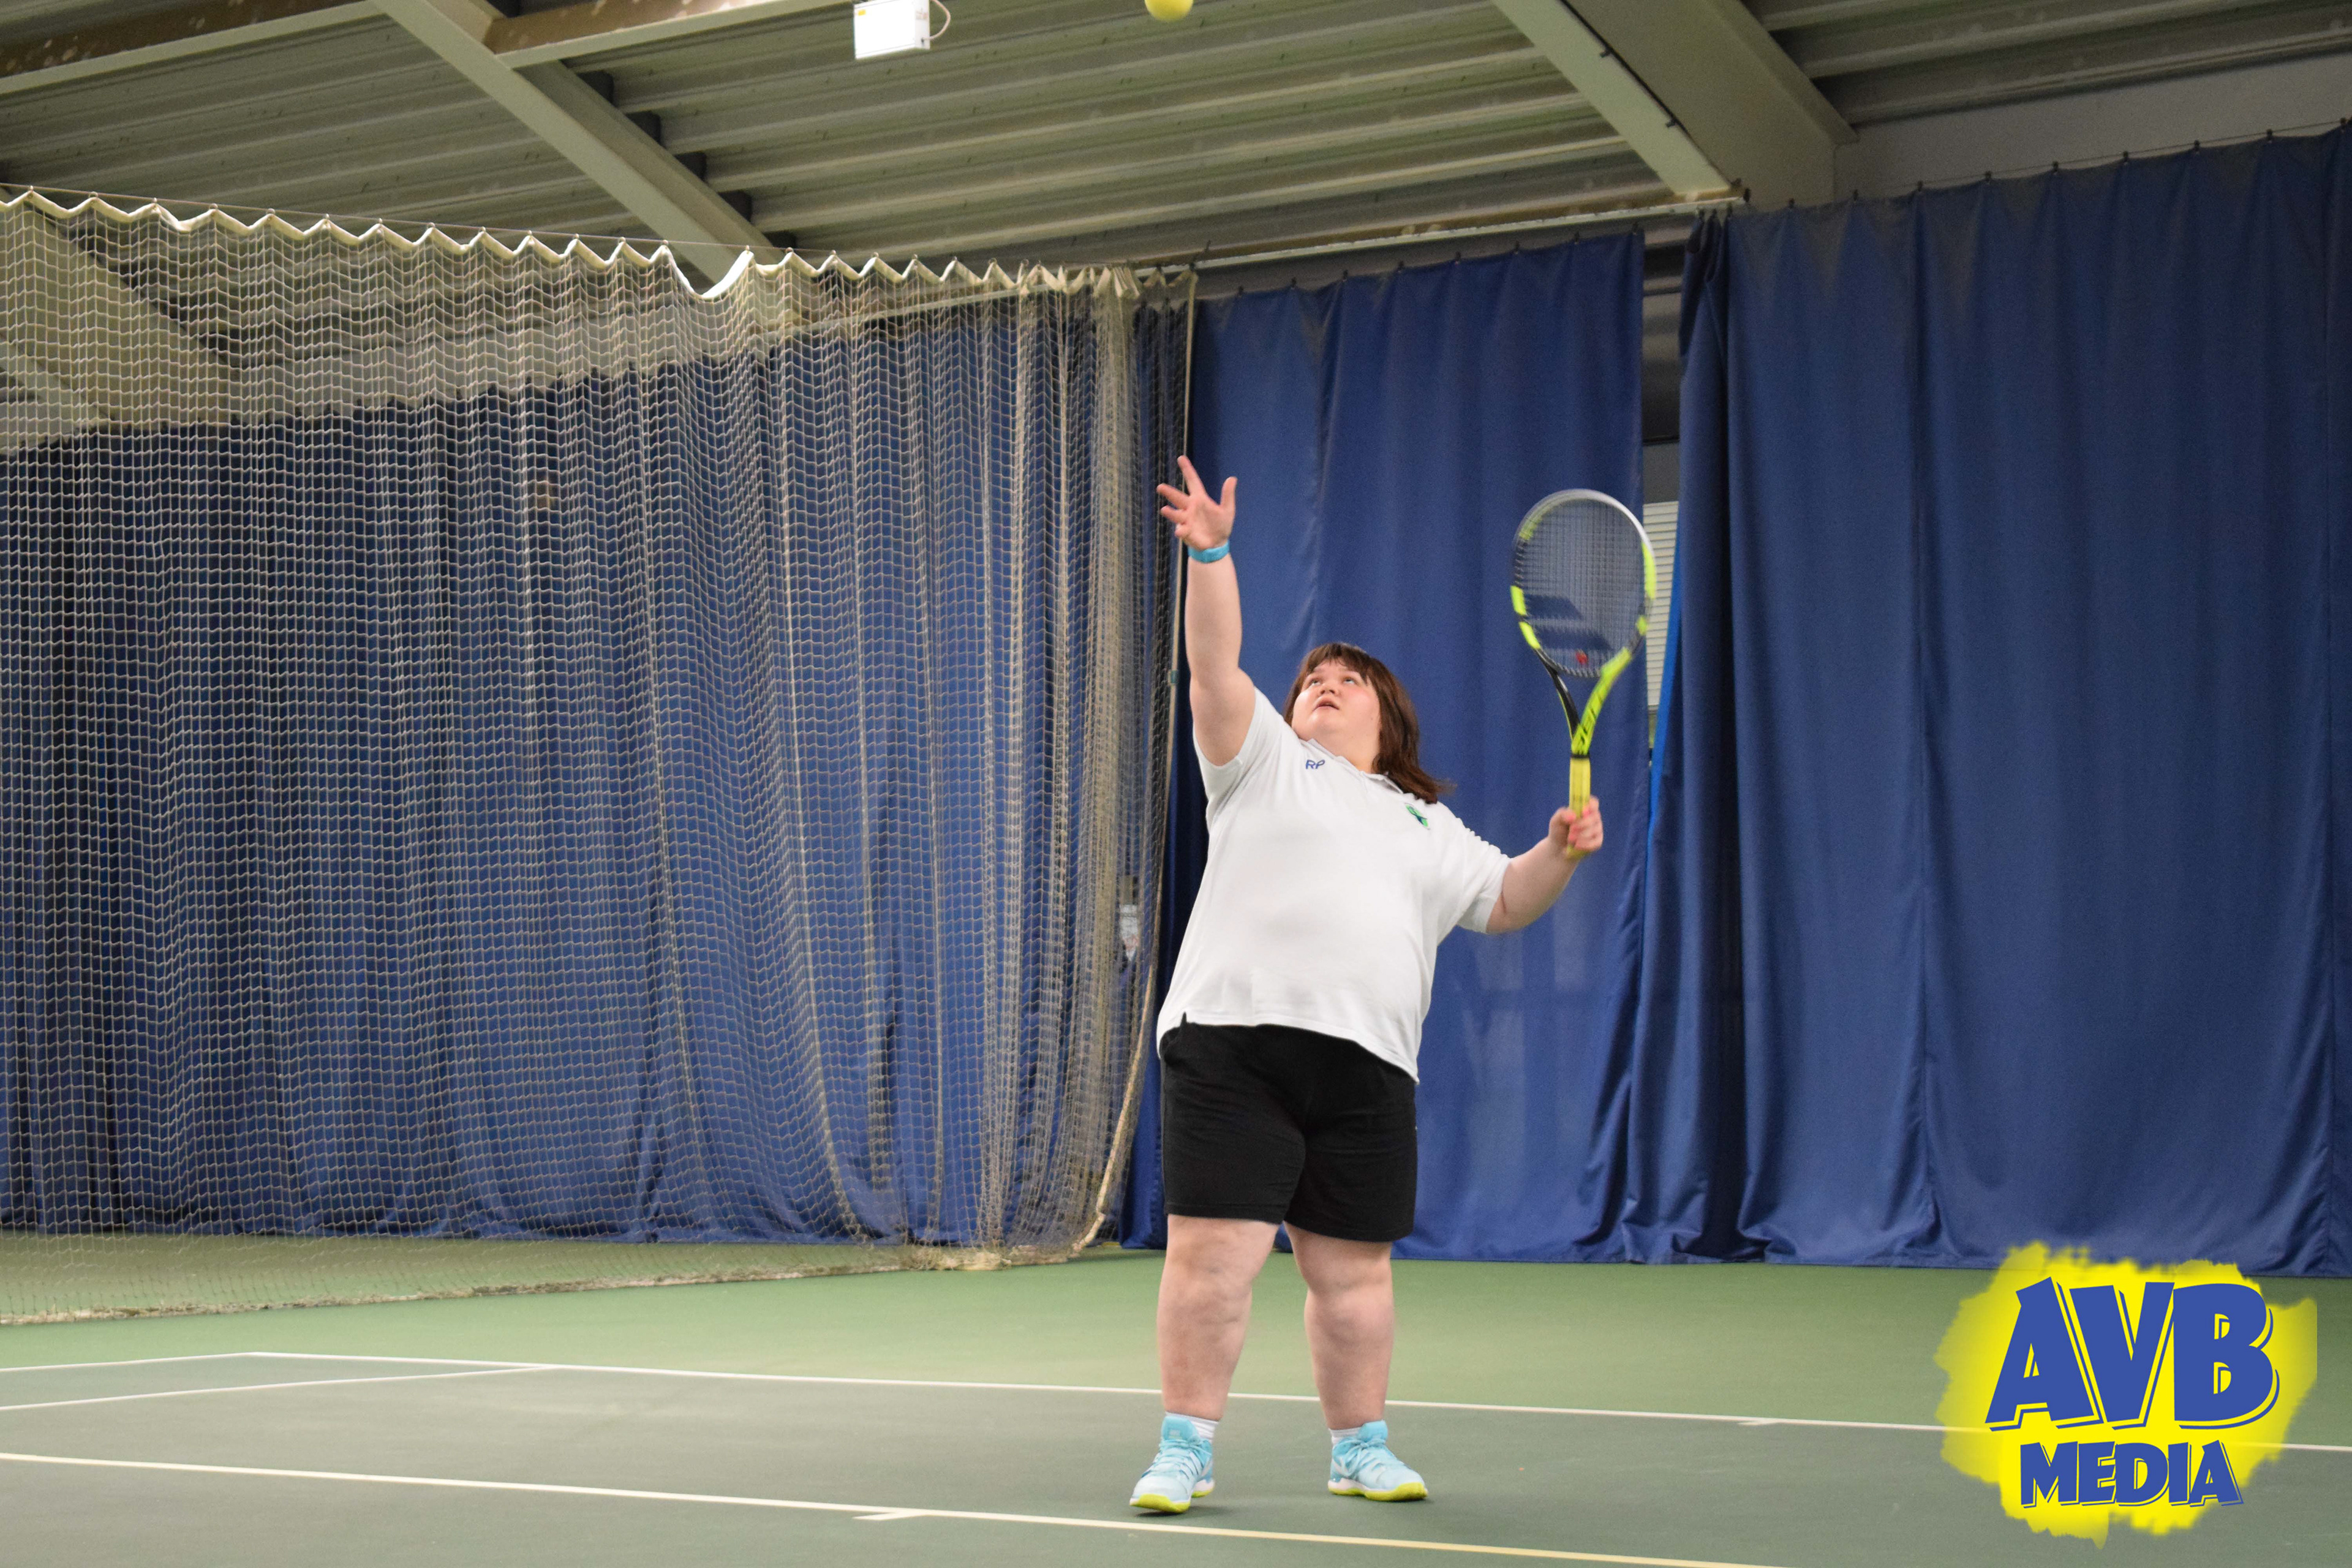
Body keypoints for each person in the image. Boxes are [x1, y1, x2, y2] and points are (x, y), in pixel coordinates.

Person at [1129, 457, 1605, 1513]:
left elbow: (1508, 899)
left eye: (1349, 680)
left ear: (1389, 722)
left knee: (1353, 1276)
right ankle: (1185, 1448)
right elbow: (1214, 663)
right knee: (1214, 1259)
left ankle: (1359, 1448)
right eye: (1313, 678)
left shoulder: (1431, 827)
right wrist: (1213, 552)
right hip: (1234, 1045)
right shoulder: (1260, 762)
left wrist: (1560, 852)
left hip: (1368, 1068)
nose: (1325, 684)